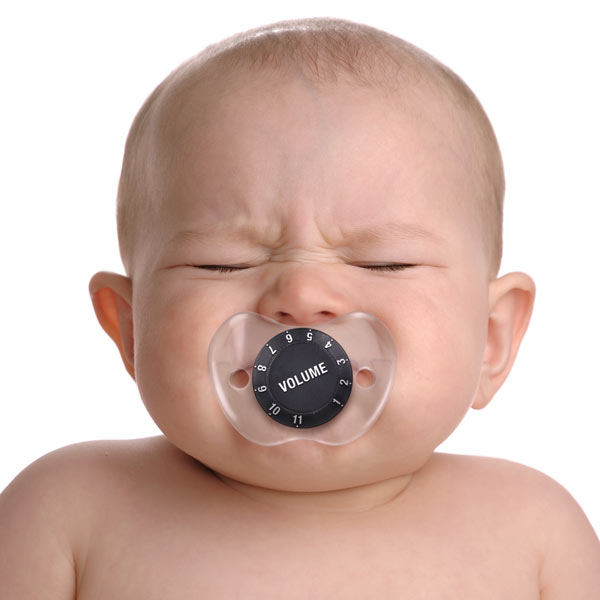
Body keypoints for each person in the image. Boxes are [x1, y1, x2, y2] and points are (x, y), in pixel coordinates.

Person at [1, 18, 598, 598]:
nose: (304, 296)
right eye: (223, 263)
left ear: (491, 339)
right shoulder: (65, 516)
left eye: (384, 262)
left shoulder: (534, 535)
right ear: (132, 329)